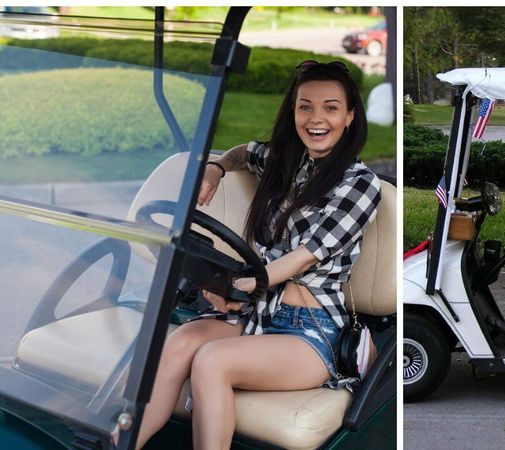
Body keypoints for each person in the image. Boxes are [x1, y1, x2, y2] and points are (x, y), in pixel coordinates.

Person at [135, 60, 381, 450]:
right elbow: (242, 153)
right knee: (179, 342)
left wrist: (238, 285)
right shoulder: (286, 162)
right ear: (294, 111)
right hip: (256, 315)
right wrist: (216, 169)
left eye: (331, 108)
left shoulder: (360, 185)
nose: (316, 118)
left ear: (350, 117)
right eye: (305, 106)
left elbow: (302, 258)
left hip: (311, 331)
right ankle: (122, 442)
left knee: (211, 360)